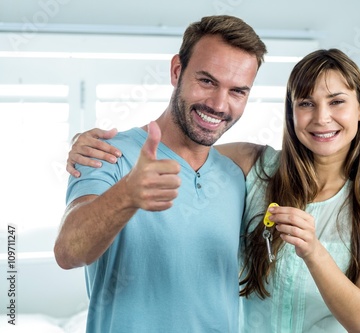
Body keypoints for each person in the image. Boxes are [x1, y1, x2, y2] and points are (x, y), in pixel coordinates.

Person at [67, 49, 360, 333]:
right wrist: (89, 143)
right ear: (291, 113)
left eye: (337, 102)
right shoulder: (252, 164)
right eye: (305, 103)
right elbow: (181, 150)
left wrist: (313, 252)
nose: (322, 117)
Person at [54, 15, 267, 332]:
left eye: (237, 91)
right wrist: (127, 195)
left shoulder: (237, 174)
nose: (219, 104)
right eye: (206, 81)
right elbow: (69, 251)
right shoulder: (107, 153)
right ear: (177, 71)